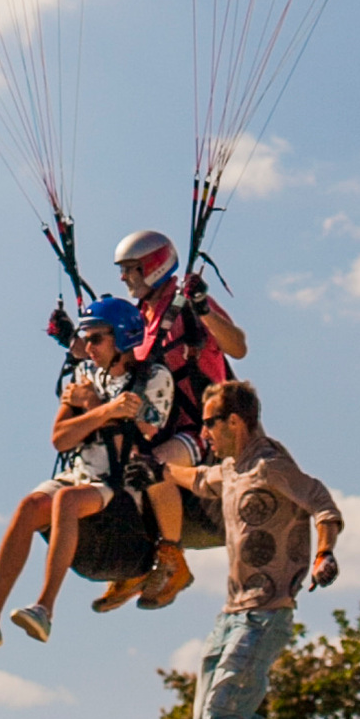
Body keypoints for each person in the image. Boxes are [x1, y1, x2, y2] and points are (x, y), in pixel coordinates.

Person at [151, 378, 343, 719]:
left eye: (210, 423)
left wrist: (324, 554)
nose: (205, 433)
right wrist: (155, 468)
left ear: (234, 422)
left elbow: (323, 505)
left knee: (220, 717)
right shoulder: (231, 469)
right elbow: (197, 479)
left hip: (267, 611)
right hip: (230, 613)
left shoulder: (272, 466)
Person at [0, 298, 172, 657]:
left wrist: (91, 408)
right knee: (29, 506)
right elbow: (60, 437)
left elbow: (138, 442)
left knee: (65, 501)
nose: (87, 348)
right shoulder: (84, 376)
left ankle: (44, 607)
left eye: (96, 339)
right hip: (80, 473)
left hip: (120, 486)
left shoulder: (152, 379)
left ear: (121, 338)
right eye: (85, 339)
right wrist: (105, 410)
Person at [107, 228, 249, 617]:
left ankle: (172, 563)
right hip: (161, 429)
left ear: (153, 267)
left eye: (131, 269)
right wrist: (75, 339)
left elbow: (238, 346)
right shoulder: (142, 318)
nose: (124, 278)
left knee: (151, 469)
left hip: (202, 432)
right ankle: (136, 565)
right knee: (116, 470)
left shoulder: (186, 305)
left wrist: (203, 308)